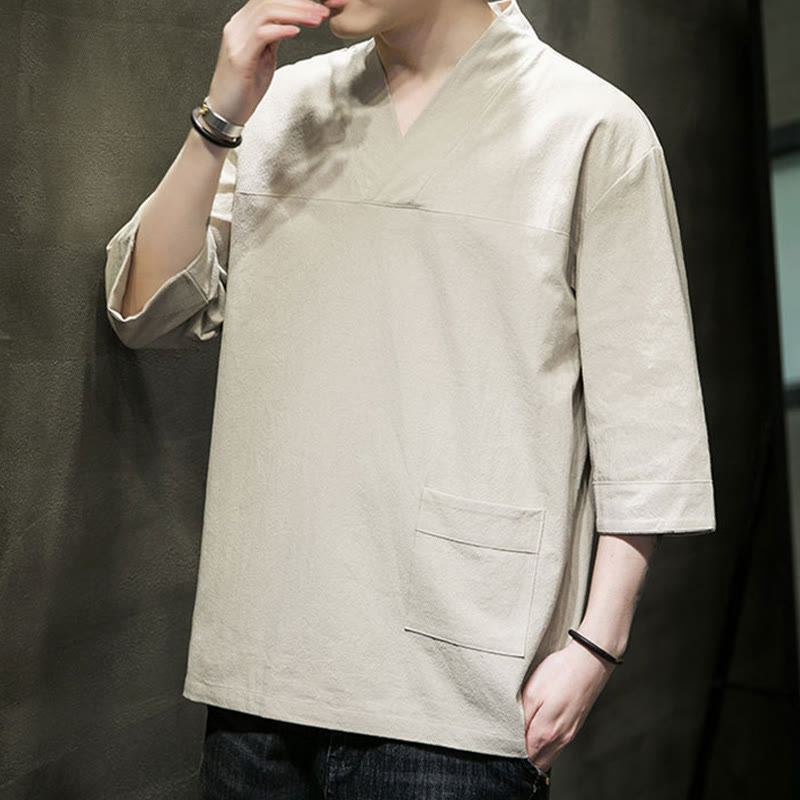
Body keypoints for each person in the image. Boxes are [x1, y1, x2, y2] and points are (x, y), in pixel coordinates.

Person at [103, 0, 717, 796]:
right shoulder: (284, 107)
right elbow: (145, 309)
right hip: (261, 676)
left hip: (459, 697)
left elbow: (647, 420)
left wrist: (596, 647)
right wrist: (220, 118)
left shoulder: (589, 127)